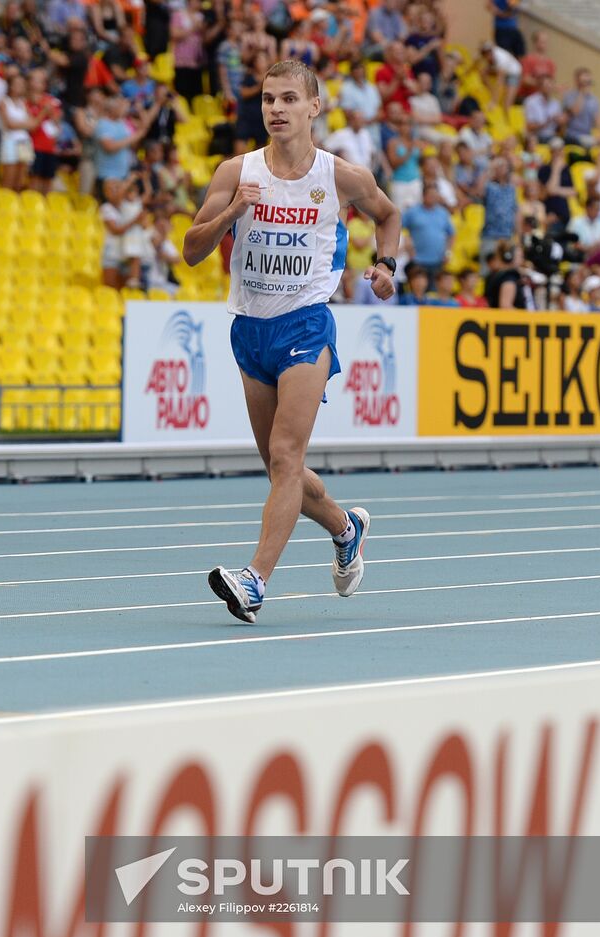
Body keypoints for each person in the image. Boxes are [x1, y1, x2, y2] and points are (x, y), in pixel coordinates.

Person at [183, 59, 400, 624]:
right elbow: (190, 248)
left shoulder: (340, 176)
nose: (275, 109)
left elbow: (388, 213)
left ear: (313, 108)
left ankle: (254, 581)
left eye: (286, 99)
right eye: (266, 99)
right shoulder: (237, 171)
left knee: (286, 456)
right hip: (250, 328)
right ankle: (345, 528)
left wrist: (386, 265)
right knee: (281, 469)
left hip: (305, 324)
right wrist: (234, 210)